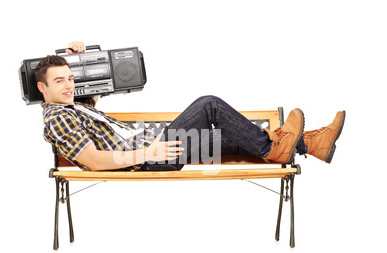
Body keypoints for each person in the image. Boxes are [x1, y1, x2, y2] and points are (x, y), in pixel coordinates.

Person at [37, 41, 345, 172]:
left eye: (69, 78)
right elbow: (93, 161)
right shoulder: (56, 119)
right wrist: (148, 153)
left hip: (154, 146)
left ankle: (313, 145)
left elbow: (93, 88)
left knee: (245, 136)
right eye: (59, 82)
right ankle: (274, 149)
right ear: (42, 88)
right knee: (209, 105)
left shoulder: (74, 106)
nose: (68, 86)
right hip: (152, 156)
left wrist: (74, 53)